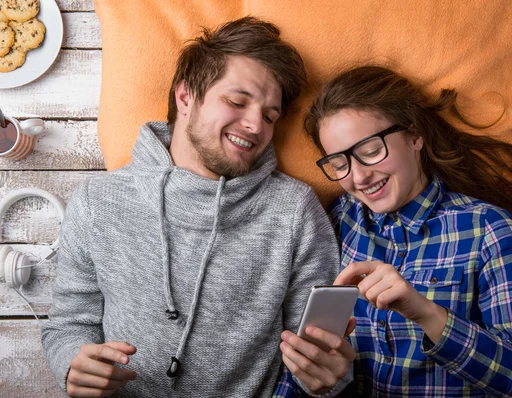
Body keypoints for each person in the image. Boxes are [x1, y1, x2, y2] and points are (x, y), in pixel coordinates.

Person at [41, 17, 343, 397]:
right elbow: (68, 325)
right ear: (186, 97)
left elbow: (318, 353)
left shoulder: (295, 210)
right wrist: (72, 364)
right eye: (237, 101)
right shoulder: (96, 202)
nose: (255, 125)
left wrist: (329, 378)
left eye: (270, 115)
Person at [279, 65, 512, 397]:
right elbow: (309, 362)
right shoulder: (335, 224)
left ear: (414, 136)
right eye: (340, 164)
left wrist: (425, 313)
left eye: (370, 152)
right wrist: (319, 382)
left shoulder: (489, 230)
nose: (359, 177)